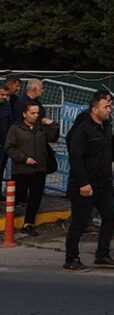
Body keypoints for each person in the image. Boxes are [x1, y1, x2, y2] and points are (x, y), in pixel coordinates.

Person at [64, 92, 114, 272]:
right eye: (106, 107)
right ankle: (71, 259)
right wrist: (83, 183)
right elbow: (76, 157)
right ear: (94, 110)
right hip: (85, 184)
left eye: (110, 107)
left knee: (111, 215)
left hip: (103, 183)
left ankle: (102, 255)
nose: (109, 110)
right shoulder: (83, 129)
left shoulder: (106, 127)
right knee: (80, 222)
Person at [4, 100, 59, 237]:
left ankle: (28, 223)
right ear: (24, 114)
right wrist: (24, 158)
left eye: (37, 113)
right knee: (19, 195)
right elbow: (9, 148)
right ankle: (10, 221)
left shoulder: (41, 127)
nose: (35, 116)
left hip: (39, 168)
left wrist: (52, 125)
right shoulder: (15, 129)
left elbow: (53, 138)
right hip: (22, 169)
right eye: (32, 113)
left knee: (35, 197)